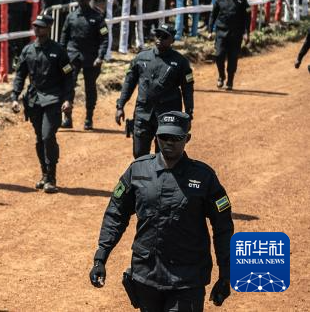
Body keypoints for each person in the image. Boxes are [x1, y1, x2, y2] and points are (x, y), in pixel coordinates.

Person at [90, 112, 234, 311]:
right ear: (156, 137)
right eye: (164, 137)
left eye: (176, 138)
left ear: (187, 138)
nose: (169, 142)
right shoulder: (138, 171)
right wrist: (100, 257)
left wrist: (226, 275)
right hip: (146, 277)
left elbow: (223, 227)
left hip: (186, 280)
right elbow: (116, 214)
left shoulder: (204, 177)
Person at [10, 14, 73, 193]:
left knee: (47, 136)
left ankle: (51, 177)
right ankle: (44, 174)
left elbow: (68, 77)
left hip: (53, 99)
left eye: (41, 26)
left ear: (49, 28)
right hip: (34, 100)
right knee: (39, 138)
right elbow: (20, 75)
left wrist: (68, 99)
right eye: (35, 26)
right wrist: (14, 96)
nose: (37, 29)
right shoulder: (28, 50)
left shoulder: (59, 51)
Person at [115, 24, 195, 158]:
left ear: (172, 40)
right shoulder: (141, 58)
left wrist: (188, 114)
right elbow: (129, 83)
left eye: (164, 37)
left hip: (167, 116)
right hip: (143, 112)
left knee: (164, 155)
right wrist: (120, 106)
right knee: (139, 154)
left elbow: (187, 89)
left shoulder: (181, 62)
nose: (159, 39)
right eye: (158, 35)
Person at [59, 0, 109, 130]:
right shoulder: (71, 17)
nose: (81, 1)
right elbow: (64, 38)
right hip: (73, 55)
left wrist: (100, 56)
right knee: (69, 84)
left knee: (90, 87)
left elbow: (104, 38)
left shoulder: (97, 18)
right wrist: (61, 56)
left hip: (91, 57)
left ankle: (89, 117)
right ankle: (67, 117)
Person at [208, 0, 250, 90]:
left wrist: (246, 33)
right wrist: (210, 31)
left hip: (236, 34)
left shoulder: (241, 0)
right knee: (219, 55)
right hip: (221, 32)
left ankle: (230, 80)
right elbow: (213, 15)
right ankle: (221, 76)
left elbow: (247, 17)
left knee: (232, 58)